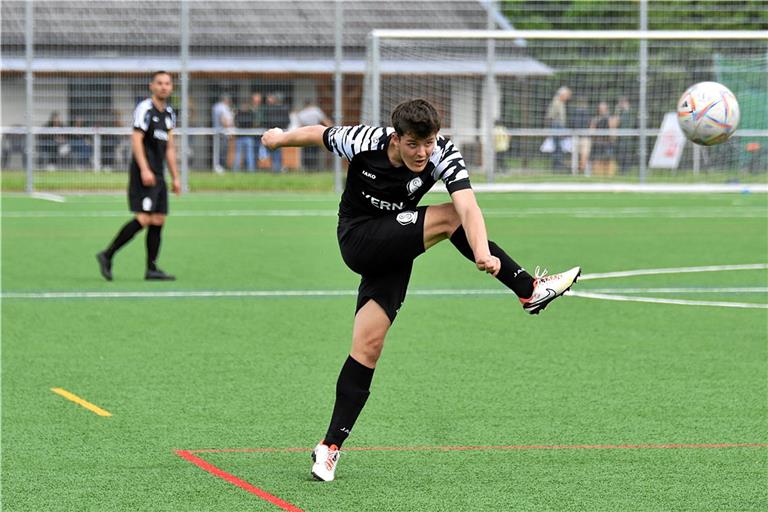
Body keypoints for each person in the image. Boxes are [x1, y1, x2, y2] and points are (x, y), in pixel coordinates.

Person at [261, 98, 581, 482]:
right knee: (445, 216)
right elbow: (318, 134)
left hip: (396, 250)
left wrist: (482, 251)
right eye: (414, 144)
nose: (422, 152)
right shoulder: (365, 139)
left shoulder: (442, 152)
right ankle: (528, 289)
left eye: (428, 143)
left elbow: (469, 204)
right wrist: (279, 140)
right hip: (359, 238)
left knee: (367, 348)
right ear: (396, 138)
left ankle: (328, 448)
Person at [96, 71, 180, 281]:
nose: (163, 87)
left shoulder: (169, 113)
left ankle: (151, 268)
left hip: (159, 174)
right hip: (144, 173)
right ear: (151, 86)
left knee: (159, 219)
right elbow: (136, 140)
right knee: (144, 218)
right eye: (159, 83)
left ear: (171, 87)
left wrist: (176, 177)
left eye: (167, 83)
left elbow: (169, 147)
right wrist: (144, 169)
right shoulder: (145, 109)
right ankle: (107, 255)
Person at [295, 100, 333, 170]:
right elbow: (325, 121)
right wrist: (332, 128)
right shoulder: (316, 111)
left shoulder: (301, 113)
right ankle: (315, 167)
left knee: (306, 151)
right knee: (315, 151)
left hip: (305, 134)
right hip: (315, 132)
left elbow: (300, 126)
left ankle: (307, 168)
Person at [544, 86, 571, 172]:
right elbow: (550, 116)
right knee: (558, 148)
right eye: (567, 95)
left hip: (559, 127)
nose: (568, 97)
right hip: (556, 127)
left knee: (559, 148)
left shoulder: (560, 102)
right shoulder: (556, 102)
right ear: (562, 94)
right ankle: (557, 166)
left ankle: (558, 166)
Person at [263, 94, 290, 172]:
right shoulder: (284, 108)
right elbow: (287, 121)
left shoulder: (270, 108)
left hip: (272, 131)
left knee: (274, 150)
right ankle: (277, 167)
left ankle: (275, 168)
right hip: (280, 132)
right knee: (277, 150)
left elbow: (266, 120)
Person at [590, 101, 616, 176]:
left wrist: (612, 139)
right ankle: (597, 174)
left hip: (608, 142)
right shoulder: (595, 119)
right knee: (597, 159)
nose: (602, 110)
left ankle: (609, 175)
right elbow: (592, 131)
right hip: (598, 142)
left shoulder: (610, 118)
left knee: (609, 159)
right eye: (600, 108)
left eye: (603, 108)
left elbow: (612, 130)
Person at [211, 94, 234, 173]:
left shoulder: (216, 106)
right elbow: (223, 119)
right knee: (222, 151)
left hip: (218, 131)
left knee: (218, 150)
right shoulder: (222, 107)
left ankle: (217, 166)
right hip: (222, 132)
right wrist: (229, 130)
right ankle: (219, 167)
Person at [233, 100, 256, 172]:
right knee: (239, 154)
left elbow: (236, 123)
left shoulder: (239, 114)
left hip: (246, 136)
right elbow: (253, 123)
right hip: (242, 136)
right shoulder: (250, 113)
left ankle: (250, 170)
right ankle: (237, 170)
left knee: (249, 154)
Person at [614, 97, 634, 174]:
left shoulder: (631, 112)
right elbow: (616, 121)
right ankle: (621, 169)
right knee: (621, 153)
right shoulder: (620, 112)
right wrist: (617, 110)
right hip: (621, 137)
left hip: (628, 137)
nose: (621, 104)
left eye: (623, 102)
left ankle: (626, 170)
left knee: (627, 153)